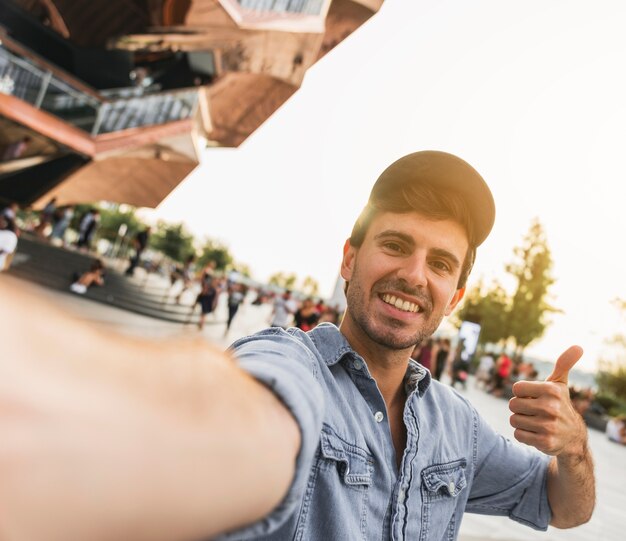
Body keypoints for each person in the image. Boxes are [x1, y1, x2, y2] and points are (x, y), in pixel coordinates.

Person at [0, 151, 594, 540]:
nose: (415, 275)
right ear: (349, 258)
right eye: (395, 244)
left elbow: (564, 506)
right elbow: (237, 417)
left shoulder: (456, 426)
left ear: (455, 295)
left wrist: (572, 448)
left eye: (439, 263)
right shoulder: (289, 365)